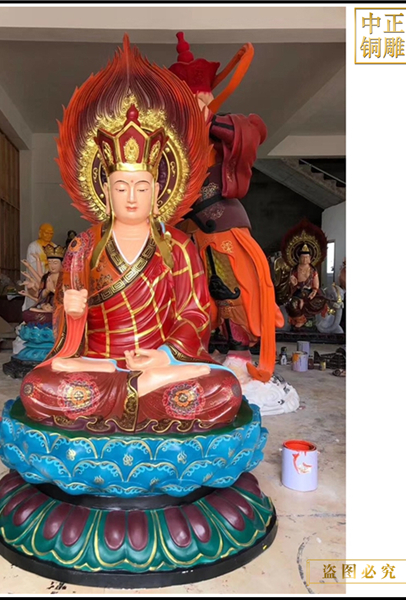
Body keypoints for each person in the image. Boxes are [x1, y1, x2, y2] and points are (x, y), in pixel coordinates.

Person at [18, 37, 243, 435]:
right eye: (121, 187)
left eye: (141, 187)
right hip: (99, 366)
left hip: (161, 365)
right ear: (105, 192)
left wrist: (165, 356)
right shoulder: (83, 247)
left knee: (225, 388)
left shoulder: (179, 247)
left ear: (158, 190)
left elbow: (196, 313)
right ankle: (139, 391)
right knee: (38, 387)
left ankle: (145, 385)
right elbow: (65, 329)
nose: (132, 197)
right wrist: (71, 312)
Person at [168, 32, 283, 383]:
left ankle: (238, 352)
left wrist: (211, 121)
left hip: (221, 226)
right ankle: (194, 347)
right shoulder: (174, 144)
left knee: (228, 287)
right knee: (189, 291)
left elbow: (254, 131)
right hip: (186, 231)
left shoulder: (223, 131)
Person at [286, 244, 328, 328]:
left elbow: (316, 284)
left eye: (306, 257)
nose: (304, 259)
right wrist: (292, 282)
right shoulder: (295, 269)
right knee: (294, 303)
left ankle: (312, 321)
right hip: (298, 292)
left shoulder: (313, 270)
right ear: (299, 258)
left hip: (309, 292)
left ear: (310, 258)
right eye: (303, 257)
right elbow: (291, 282)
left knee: (318, 302)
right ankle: (300, 320)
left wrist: (314, 291)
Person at [22, 223, 56, 310]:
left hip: (50, 281)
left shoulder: (55, 247)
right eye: (46, 233)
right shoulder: (33, 246)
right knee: (35, 302)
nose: (49, 235)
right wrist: (45, 264)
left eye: (51, 233)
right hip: (37, 281)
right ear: (40, 233)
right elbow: (32, 264)